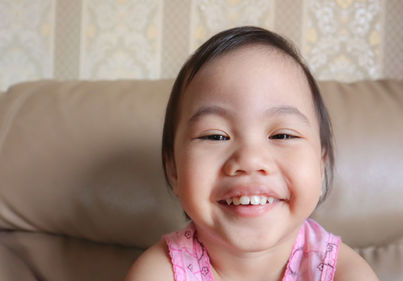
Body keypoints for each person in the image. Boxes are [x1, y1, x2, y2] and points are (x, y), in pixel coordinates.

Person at [126, 26, 378, 281]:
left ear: (321, 165)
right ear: (174, 169)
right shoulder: (159, 272)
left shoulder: (343, 273)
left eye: (282, 135)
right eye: (216, 136)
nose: (250, 160)